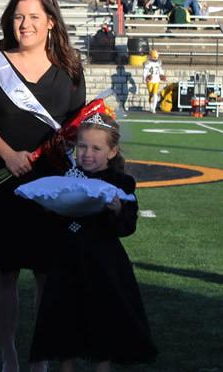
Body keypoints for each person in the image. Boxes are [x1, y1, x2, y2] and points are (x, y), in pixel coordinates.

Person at [0, 0, 86, 372]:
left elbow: (76, 124)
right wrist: (8, 154)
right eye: (19, 16)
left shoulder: (70, 67)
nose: (25, 24)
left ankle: (40, 356)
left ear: (51, 21)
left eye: (34, 16)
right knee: (3, 270)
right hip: (3, 176)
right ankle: (9, 355)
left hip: (52, 181)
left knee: (47, 272)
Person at [30, 113, 158, 370]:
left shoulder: (121, 183)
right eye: (82, 146)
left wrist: (117, 210)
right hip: (66, 262)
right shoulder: (66, 176)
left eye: (96, 148)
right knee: (65, 323)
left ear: (112, 152)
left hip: (103, 265)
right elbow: (50, 218)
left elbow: (126, 227)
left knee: (105, 323)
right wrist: (49, 207)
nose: (87, 153)